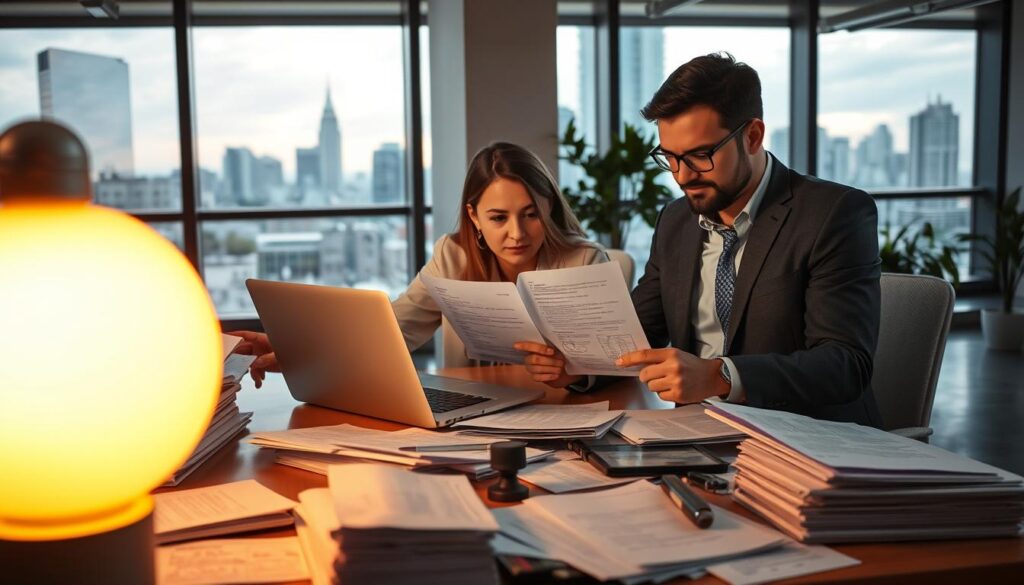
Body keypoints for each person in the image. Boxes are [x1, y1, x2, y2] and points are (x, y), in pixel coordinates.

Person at [521, 53, 883, 427]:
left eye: (699, 155)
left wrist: (718, 376)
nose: (682, 176)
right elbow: (636, 332)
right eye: (670, 157)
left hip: (804, 439)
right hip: (697, 434)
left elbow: (845, 364)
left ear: (753, 136)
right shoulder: (677, 220)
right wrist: (578, 368)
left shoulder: (834, 214)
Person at [233, 142, 607, 388]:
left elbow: (618, 363)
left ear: (549, 207)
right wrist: (297, 347)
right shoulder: (452, 254)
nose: (517, 234)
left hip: (565, 418)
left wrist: (572, 375)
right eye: (498, 218)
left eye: (530, 214)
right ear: (473, 216)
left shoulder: (584, 261)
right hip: (475, 418)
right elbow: (394, 328)